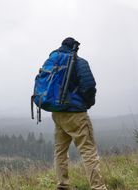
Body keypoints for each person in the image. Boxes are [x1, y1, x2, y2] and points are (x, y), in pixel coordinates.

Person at [51, 37, 107, 190]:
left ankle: (63, 185)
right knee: (88, 151)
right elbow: (89, 86)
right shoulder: (79, 62)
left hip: (57, 113)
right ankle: (98, 187)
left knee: (60, 151)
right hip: (75, 113)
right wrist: (87, 104)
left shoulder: (53, 60)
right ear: (75, 47)